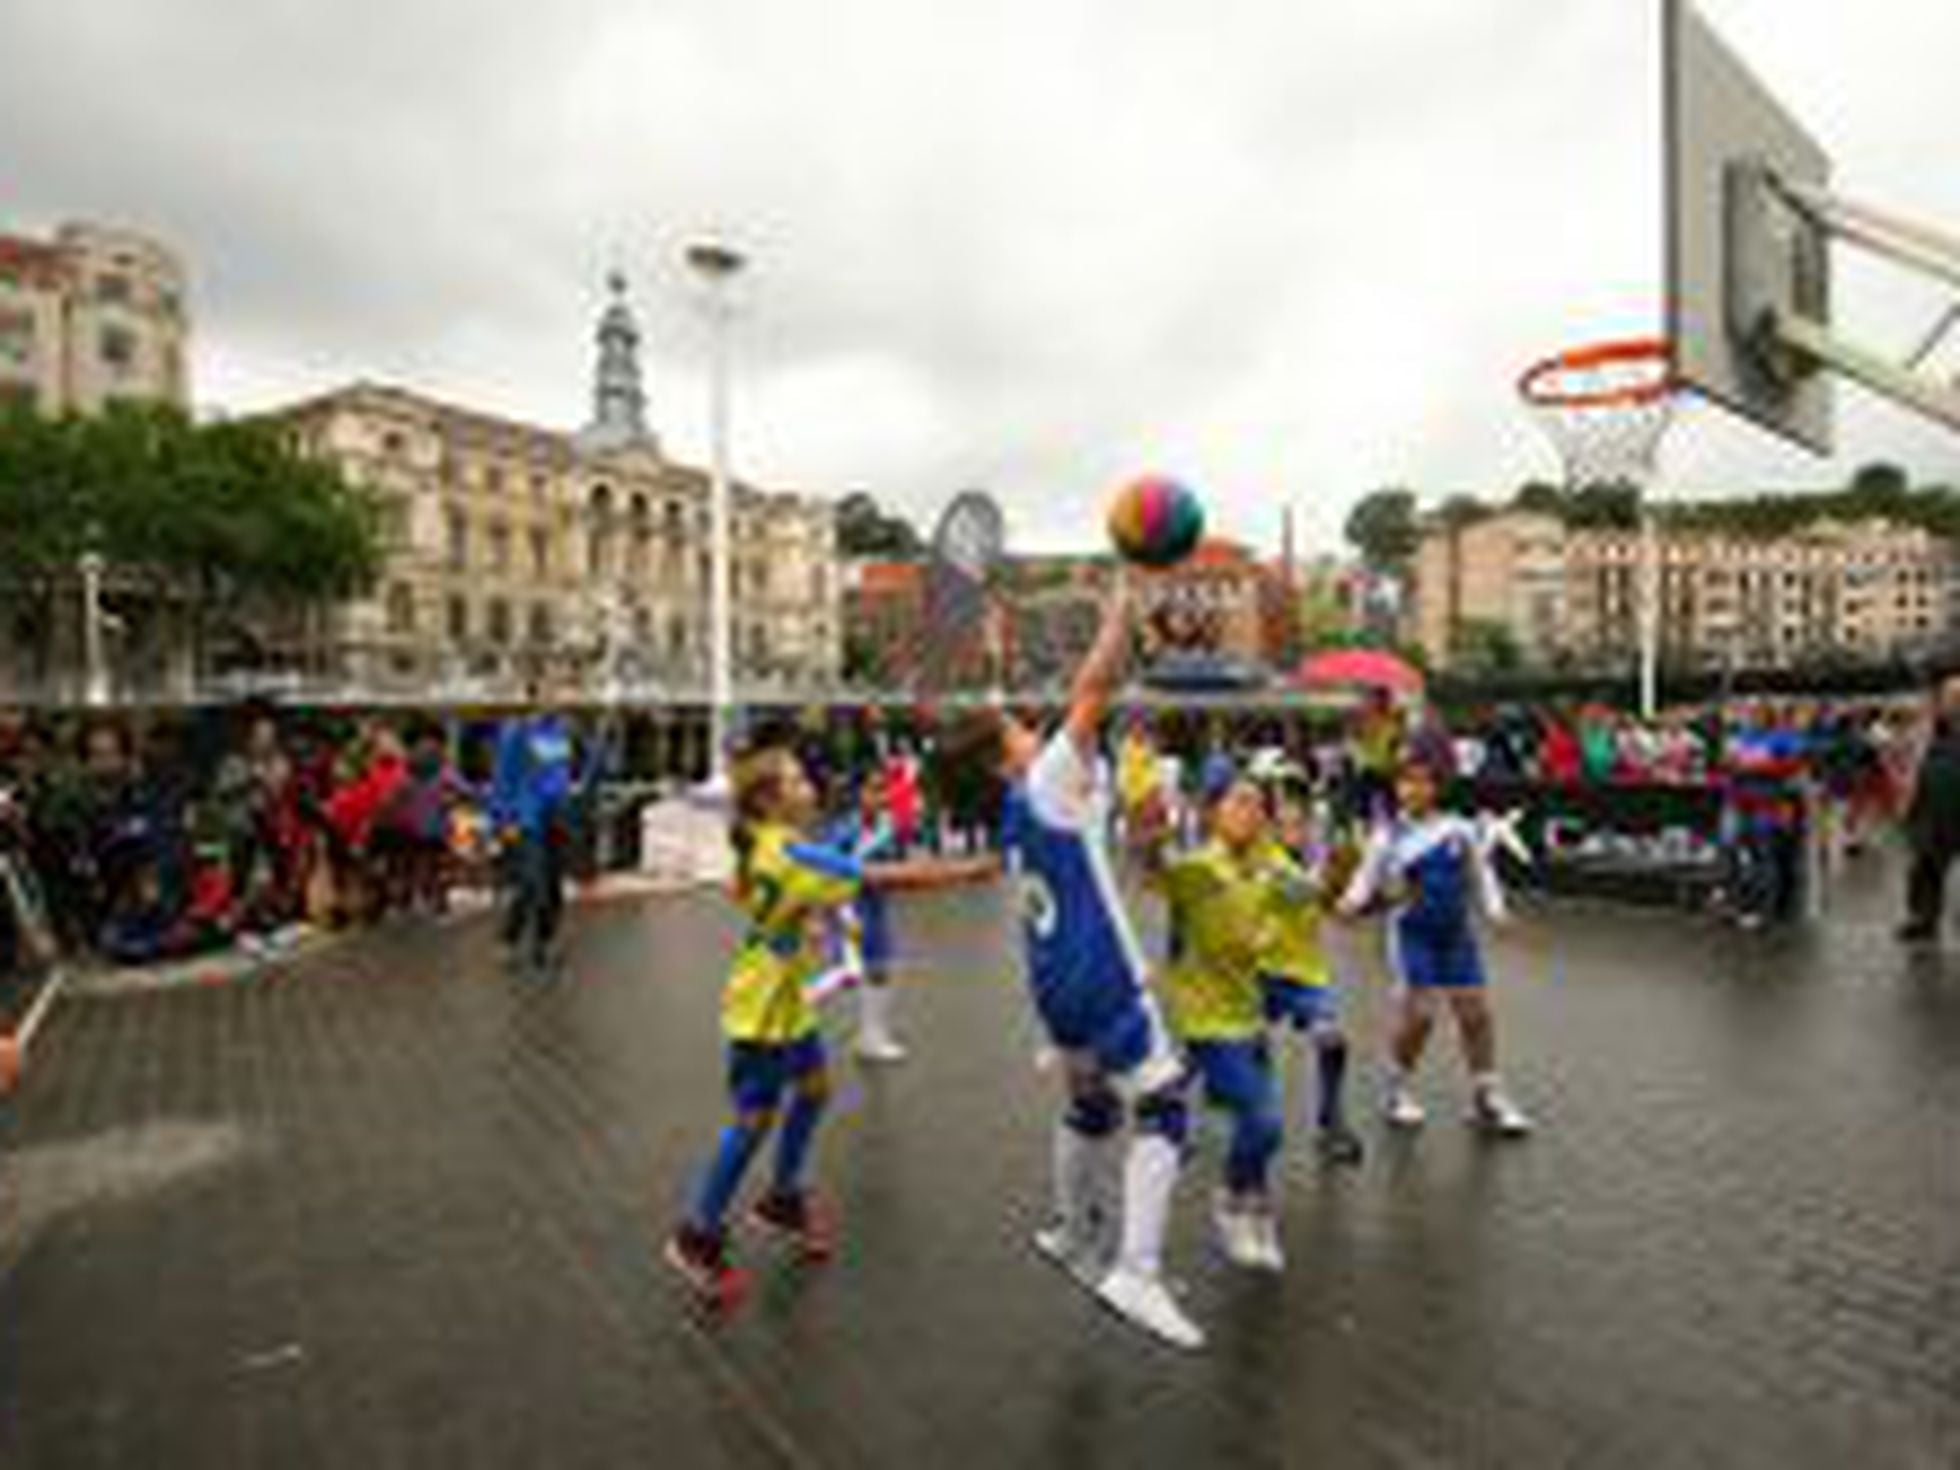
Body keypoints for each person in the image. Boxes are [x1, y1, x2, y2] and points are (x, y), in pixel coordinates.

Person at [941, 576, 1204, 1351]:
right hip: (1100, 979)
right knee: (1163, 1106)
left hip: (1055, 989)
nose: (1032, 730)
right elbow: (1092, 689)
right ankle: (1137, 1270)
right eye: (1017, 728)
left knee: (1091, 1109)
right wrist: (1120, 612)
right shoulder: (1044, 783)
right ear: (1001, 762)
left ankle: (1068, 1230)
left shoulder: (1022, 810)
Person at [665, 745, 864, 1310]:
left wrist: (806, 922)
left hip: (786, 1000)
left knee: (815, 1089)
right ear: (770, 799)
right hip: (762, 1009)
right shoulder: (792, 854)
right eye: (797, 780)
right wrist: (973, 866)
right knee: (753, 1119)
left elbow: (774, 891)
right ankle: (696, 1235)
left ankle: (781, 1198)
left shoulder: (767, 844)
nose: (810, 786)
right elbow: (865, 877)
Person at [1143, 763, 1289, 1273]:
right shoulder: (1199, 869)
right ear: (1210, 812)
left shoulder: (1266, 868)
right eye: (1239, 801)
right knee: (1265, 1122)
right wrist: (1147, 833)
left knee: (1256, 1123)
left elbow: (1307, 906)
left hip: (1249, 1016)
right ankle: (1228, 1201)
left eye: (1257, 803)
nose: (1252, 811)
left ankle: (1258, 1211)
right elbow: (1157, 871)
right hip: (1207, 1022)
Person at [1341, 756, 1532, 1137]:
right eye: (1406, 782)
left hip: (1456, 935)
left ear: (1436, 788)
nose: (1414, 790)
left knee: (1476, 1015)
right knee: (1421, 1016)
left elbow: (1481, 872)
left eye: (1423, 782)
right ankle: (1397, 1089)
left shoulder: (1458, 829)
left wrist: (1496, 911)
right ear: (1396, 788)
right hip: (1412, 935)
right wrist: (1350, 901)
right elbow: (1365, 880)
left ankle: (1487, 1096)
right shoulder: (1387, 836)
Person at [1260, 779, 1365, 1168]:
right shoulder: (1266, 859)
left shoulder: (1312, 859)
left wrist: (1380, 897)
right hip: (1260, 971)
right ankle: (1175, 1118)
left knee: (1332, 1040)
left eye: (1299, 823)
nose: (1294, 831)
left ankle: (1330, 1122)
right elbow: (1308, 892)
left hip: (1305, 974)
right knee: (1218, 1048)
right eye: (1285, 823)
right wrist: (1342, 876)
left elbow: (1339, 906)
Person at [490, 705, 588, 974]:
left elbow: (572, 775)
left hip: (557, 818)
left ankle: (545, 940)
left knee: (553, 883)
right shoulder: (517, 732)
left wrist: (576, 788)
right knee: (531, 882)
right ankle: (509, 938)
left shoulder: (564, 732)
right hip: (526, 818)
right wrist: (502, 819)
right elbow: (503, 777)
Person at [1898, 679, 1960, 944]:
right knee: (1924, 865)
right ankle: (1923, 919)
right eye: (1951, 697)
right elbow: (1915, 764)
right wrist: (1907, 798)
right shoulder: (1930, 730)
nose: (1954, 703)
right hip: (1932, 807)